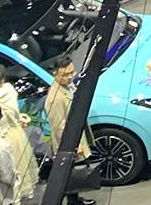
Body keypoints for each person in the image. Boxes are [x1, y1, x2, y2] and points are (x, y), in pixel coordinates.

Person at [40, 58, 92, 205]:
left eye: (71, 73)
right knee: (69, 173)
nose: (69, 77)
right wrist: (74, 144)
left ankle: (74, 199)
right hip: (68, 143)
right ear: (54, 74)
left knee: (71, 172)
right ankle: (72, 202)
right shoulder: (55, 98)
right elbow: (59, 126)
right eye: (65, 75)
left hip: (74, 136)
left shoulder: (67, 86)